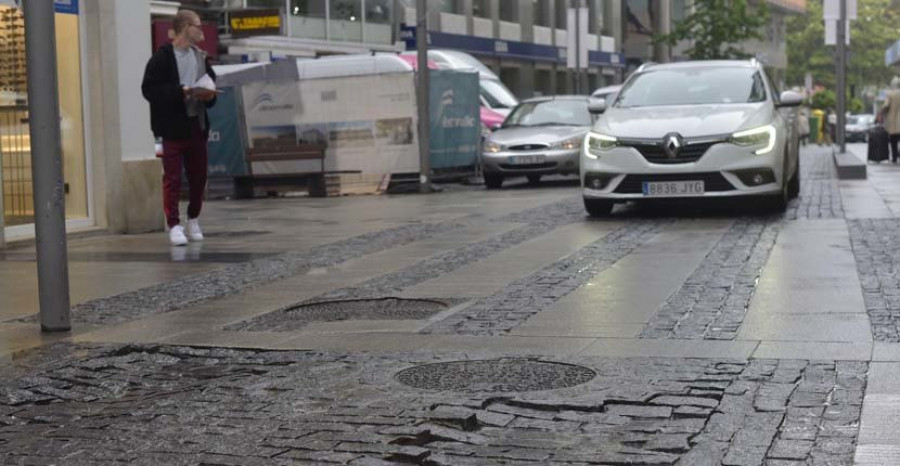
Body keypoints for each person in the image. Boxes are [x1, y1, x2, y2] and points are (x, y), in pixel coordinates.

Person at [141, 9, 217, 246]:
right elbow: (149, 90)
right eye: (197, 25)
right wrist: (179, 91)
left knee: (199, 177)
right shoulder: (162, 58)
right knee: (172, 178)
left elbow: (212, 87)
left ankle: (193, 218)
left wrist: (209, 96)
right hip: (173, 127)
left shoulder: (201, 57)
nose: (200, 30)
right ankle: (173, 224)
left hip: (197, 125)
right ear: (185, 27)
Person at [882, 77, 900, 164]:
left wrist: (882, 112)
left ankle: (895, 157)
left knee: (894, 140)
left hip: (894, 121)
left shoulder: (890, 94)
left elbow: (886, 105)